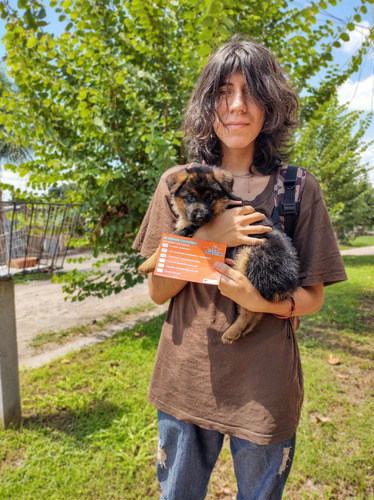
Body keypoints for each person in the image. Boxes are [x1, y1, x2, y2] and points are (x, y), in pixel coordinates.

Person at [133, 35, 347, 500]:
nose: (237, 105)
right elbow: (157, 291)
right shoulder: (178, 184)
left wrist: (260, 301)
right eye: (223, 92)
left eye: (250, 92)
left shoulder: (298, 190)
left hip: (264, 392)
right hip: (186, 384)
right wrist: (210, 236)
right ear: (207, 104)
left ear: (271, 105)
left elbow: (313, 297)